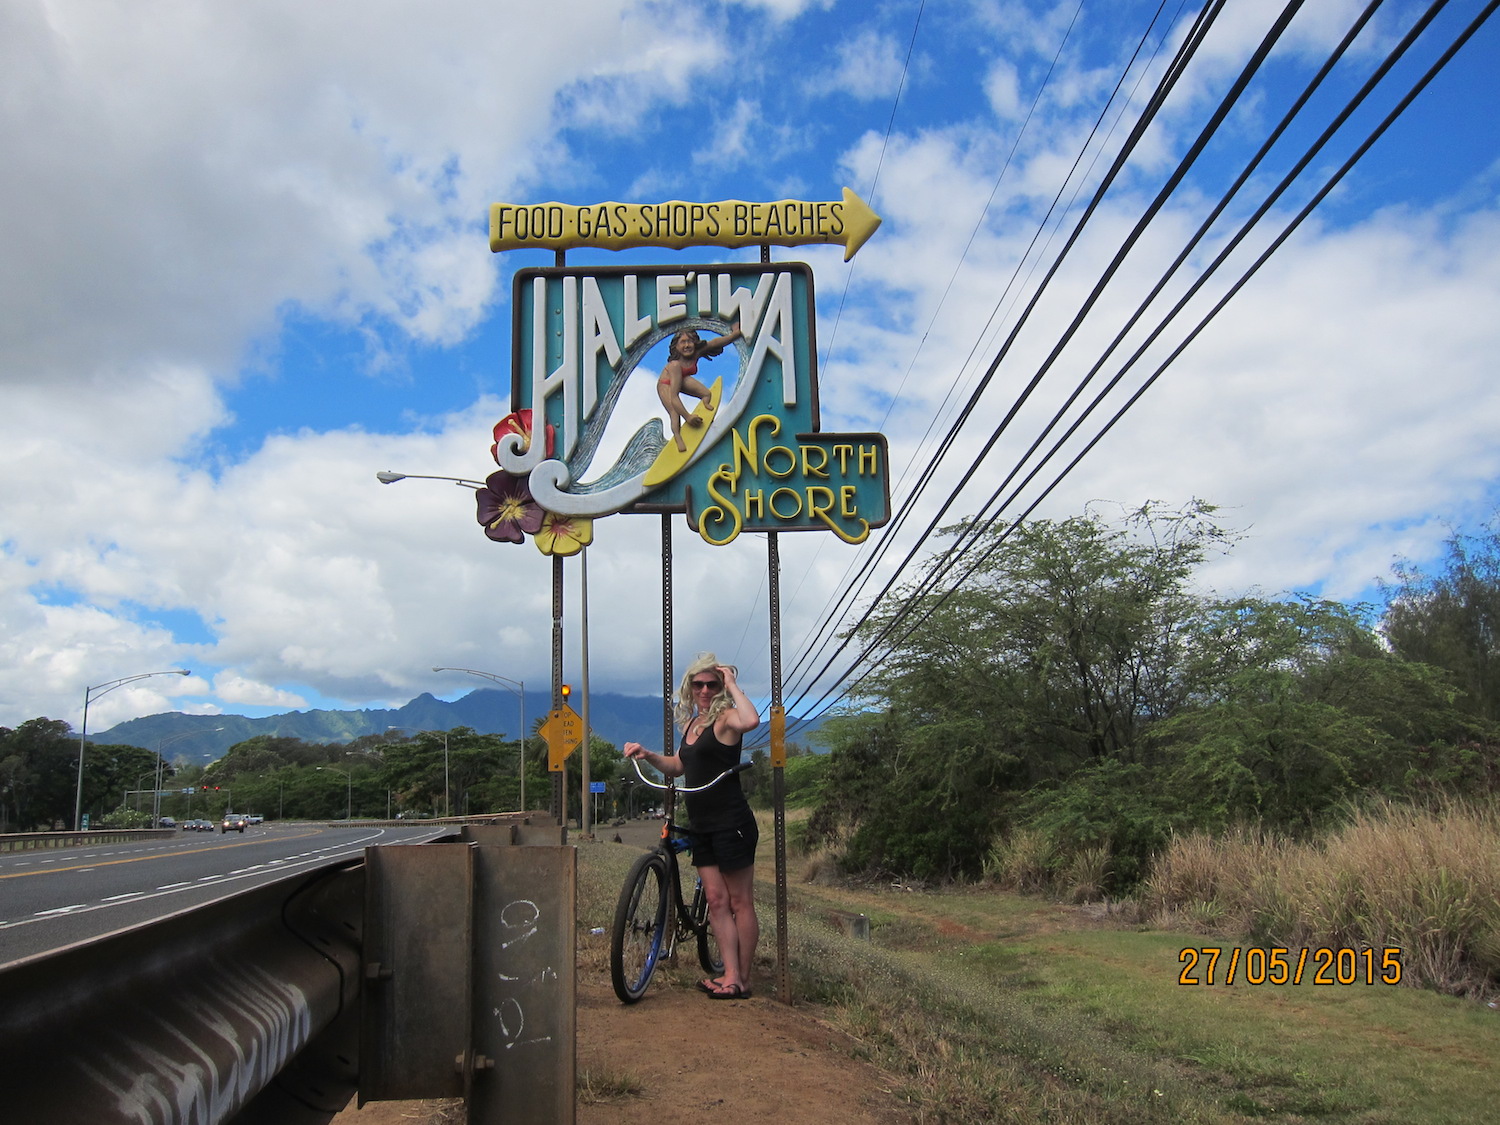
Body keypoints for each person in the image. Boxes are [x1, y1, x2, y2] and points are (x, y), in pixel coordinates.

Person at [623, 653, 760, 999]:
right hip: (701, 823)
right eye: (698, 684)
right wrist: (648, 755)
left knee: (740, 901)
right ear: (690, 686)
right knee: (716, 900)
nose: (704, 690)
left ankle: (742, 979)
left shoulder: (727, 718)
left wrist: (732, 683)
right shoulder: (691, 725)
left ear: (720, 687)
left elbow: (752, 720)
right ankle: (729, 974)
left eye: (711, 684)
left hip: (731, 822)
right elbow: (678, 766)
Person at [656, 324, 742, 452]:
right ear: (676, 347)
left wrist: (734, 335)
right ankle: (678, 439)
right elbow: (674, 397)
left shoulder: (696, 353)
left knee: (707, 394)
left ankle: (705, 408)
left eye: (690, 341)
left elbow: (714, 343)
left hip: (681, 377)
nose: (687, 345)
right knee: (674, 412)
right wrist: (688, 416)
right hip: (666, 384)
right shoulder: (674, 365)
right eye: (683, 342)